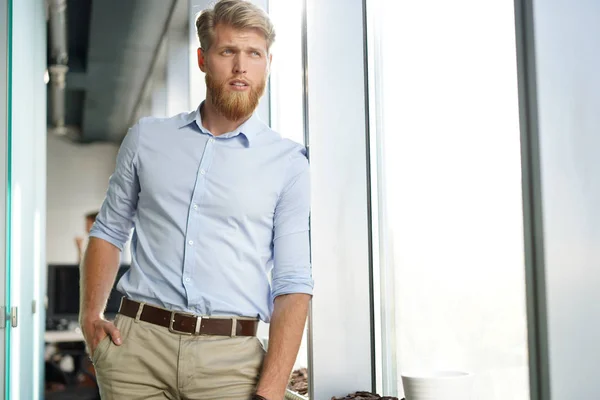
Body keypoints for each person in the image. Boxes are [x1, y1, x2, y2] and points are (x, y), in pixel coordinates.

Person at [78, 1, 313, 399]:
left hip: (232, 364)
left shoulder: (289, 163)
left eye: (253, 54)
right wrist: (90, 317)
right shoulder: (147, 138)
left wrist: (270, 391)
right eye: (228, 52)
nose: (241, 67)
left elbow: (292, 283)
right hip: (136, 354)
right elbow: (109, 230)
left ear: (268, 62)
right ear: (203, 59)